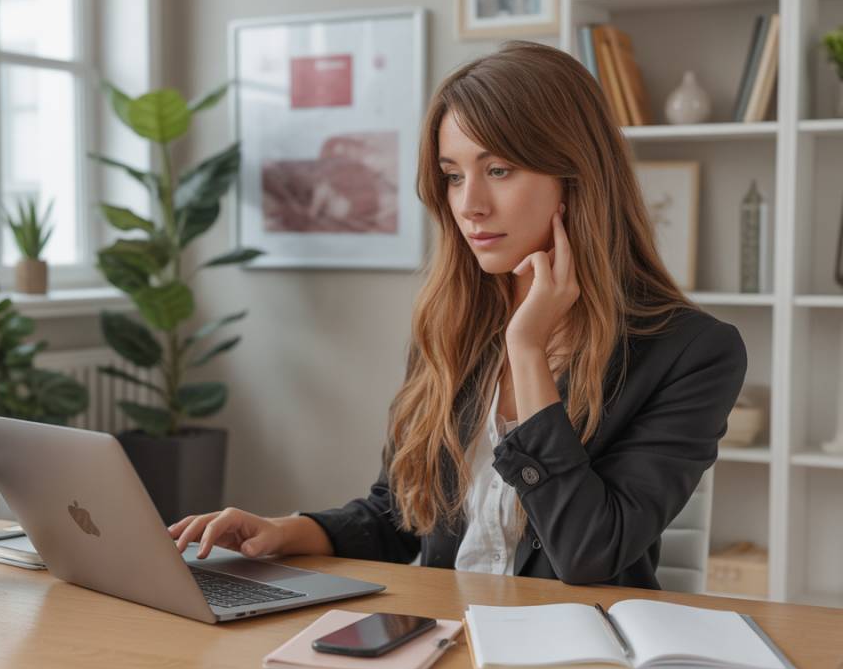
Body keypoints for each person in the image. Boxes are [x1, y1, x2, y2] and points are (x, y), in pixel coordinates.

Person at [168, 40, 747, 590]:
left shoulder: (691, 353)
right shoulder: (453, 323)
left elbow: (587, 553)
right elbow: (399, 512)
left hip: (578, 660)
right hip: (442, 640)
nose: (469, 204)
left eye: (498, 170)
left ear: (576, 177)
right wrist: (285, 531)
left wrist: (526, 352)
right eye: (452, 175)